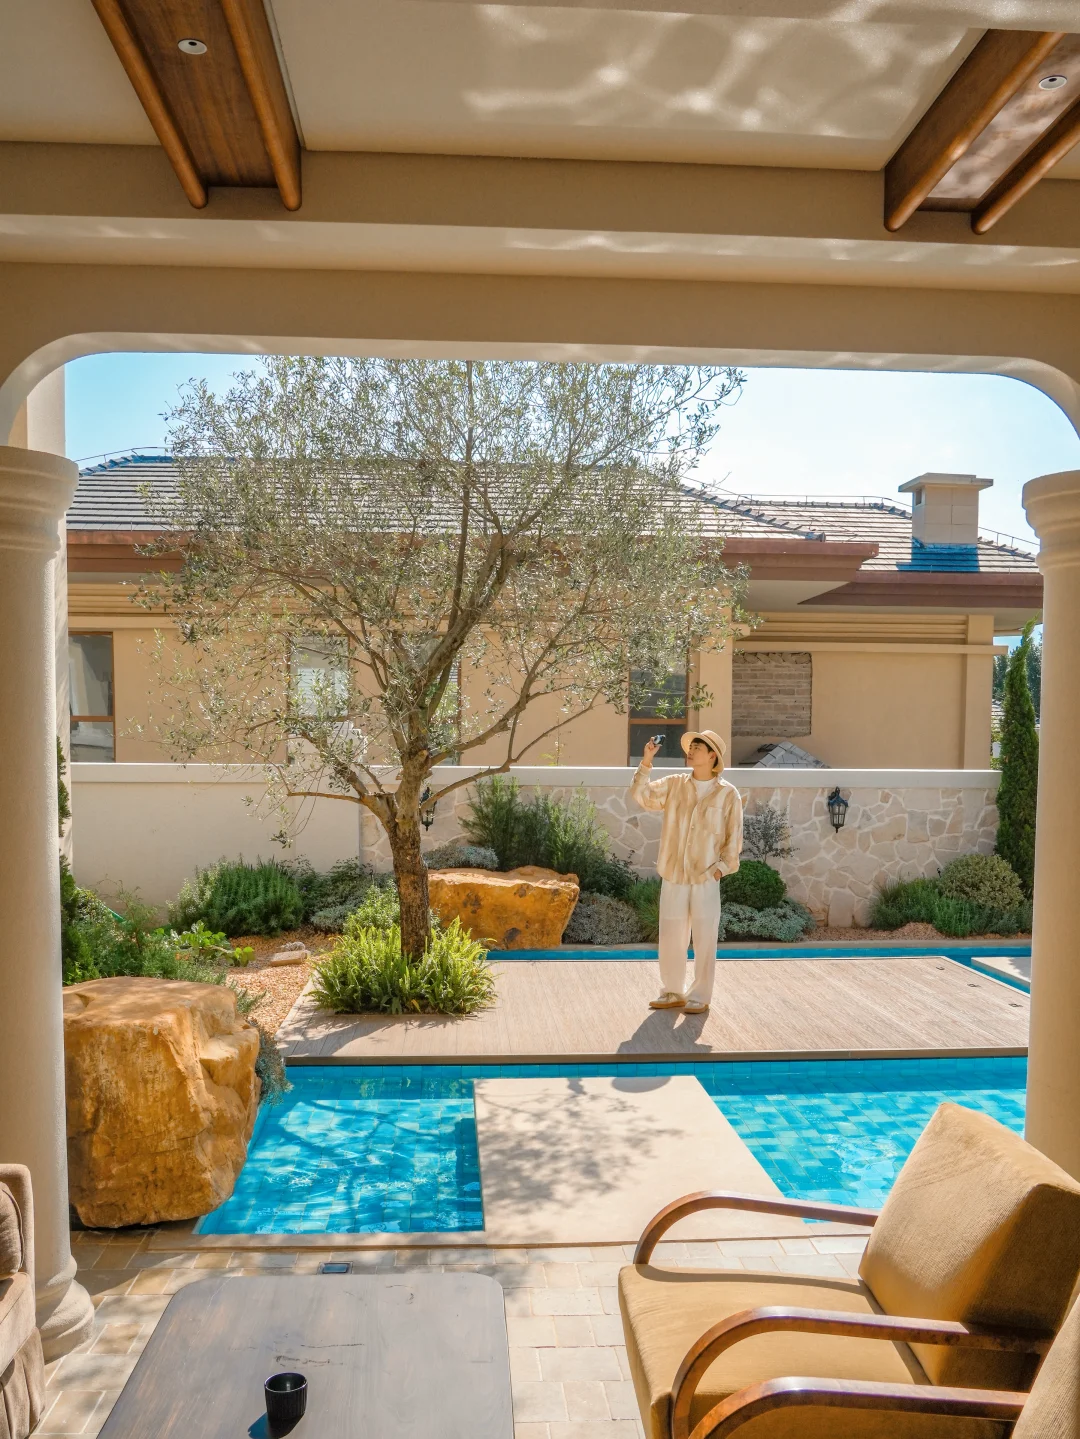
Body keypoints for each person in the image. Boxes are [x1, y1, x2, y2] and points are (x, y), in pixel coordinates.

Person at [630, 729, 743, 1014]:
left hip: (706, 877)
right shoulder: (675, 785)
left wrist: (720, 870)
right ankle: (672, 992)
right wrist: (646, 761)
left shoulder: (728, 794)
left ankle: (700, 996)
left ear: (712, 755)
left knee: (705, 938)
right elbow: (643, 796)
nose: (690, 752)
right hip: (674, 874)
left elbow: (734, 838)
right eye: (690, 747)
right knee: (671, 936)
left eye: (697, 748)